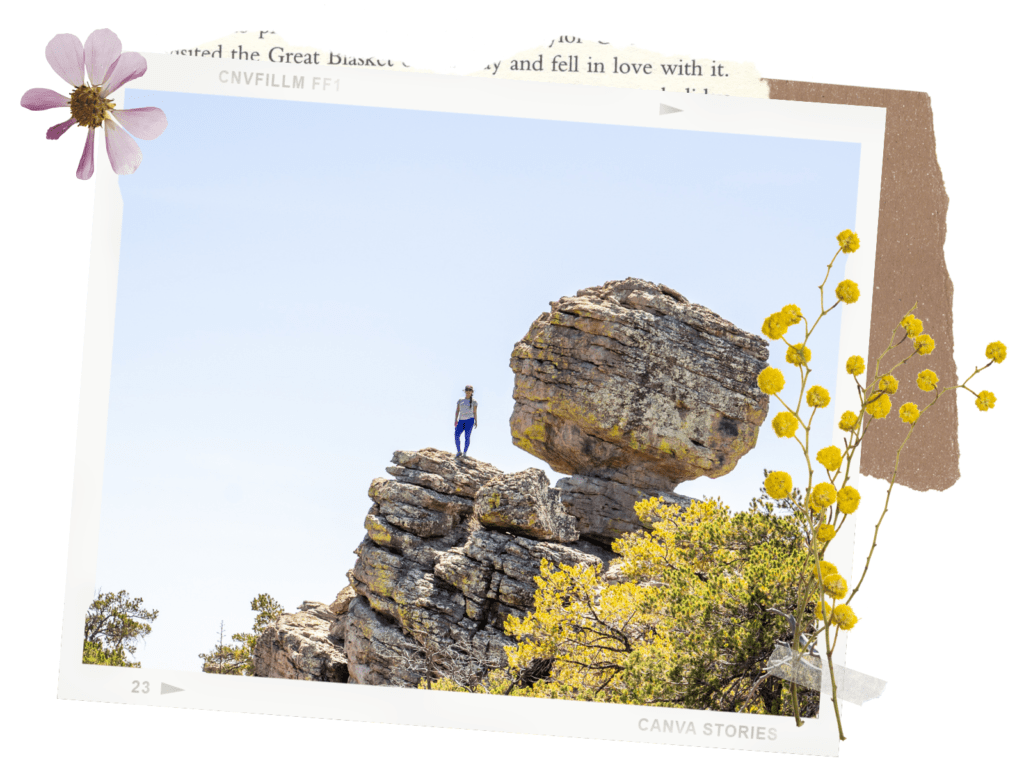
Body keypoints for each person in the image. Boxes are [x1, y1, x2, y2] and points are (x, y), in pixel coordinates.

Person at [454, 385, 478, 457]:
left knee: (467, 437)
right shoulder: (460, 400)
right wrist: (456, 420)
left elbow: (475, 412)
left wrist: (476, 421)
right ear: (464, 391)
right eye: (467, 390)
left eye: (470, 390)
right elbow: (457, 410)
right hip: (461, 420)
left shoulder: (474, 401)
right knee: (456, 435)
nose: (468, 391)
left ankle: (464, 453)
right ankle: (459, 451)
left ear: (472, 391)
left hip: (470, 420)